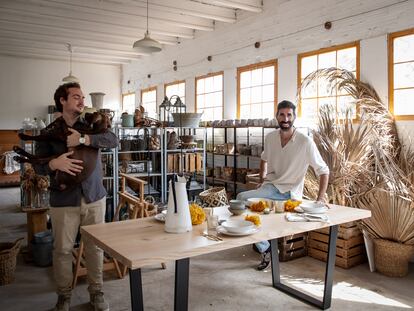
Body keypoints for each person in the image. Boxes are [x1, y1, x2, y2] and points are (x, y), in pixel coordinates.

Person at [34, 82, 118, 311]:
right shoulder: (49, 133)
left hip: (94, 197)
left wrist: (84, 140)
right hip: (63, 201)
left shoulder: (92, 125)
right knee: (62, 250)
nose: (82, 101)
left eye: (82, 97)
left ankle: (96, 293)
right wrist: (54, 163)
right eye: (76, 97)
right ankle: (64, 296)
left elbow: (113, 141)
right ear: (62, 100)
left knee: (95, 248)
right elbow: (38, 167)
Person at [236, 100, 329, 270]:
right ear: (276, 116)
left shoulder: (305, 142)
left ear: (294, 117)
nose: (285, 118)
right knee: (241, 201)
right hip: (270, 188)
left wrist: (321, 198)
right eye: (282, 114)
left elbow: (323, 170)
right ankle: (266, 247)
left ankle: (265, 247)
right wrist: (262, 180)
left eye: (289, 115)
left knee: (241, 199)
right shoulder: (270, 137)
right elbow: (264, 158)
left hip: (289, 193)